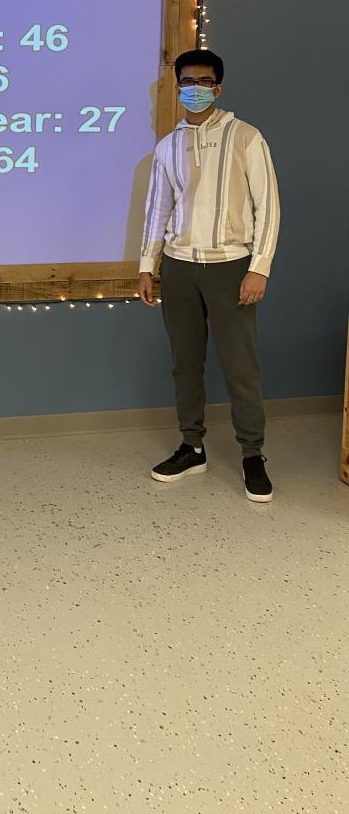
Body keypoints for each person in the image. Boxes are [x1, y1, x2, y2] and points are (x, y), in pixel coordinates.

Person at [138, 49, 280, 502]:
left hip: (231, 266)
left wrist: (258, 268)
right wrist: (148, 264)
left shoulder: (246, 137)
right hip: (179, 266)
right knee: (186, 362)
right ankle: (192, 446)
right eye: (187, 82)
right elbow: (158, 207)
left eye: (203, 82)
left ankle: (252, 454)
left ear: (218, 87)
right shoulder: (168, 146)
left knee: (240, 366)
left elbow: (268, 207)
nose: (194, 89)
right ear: (177, 87)